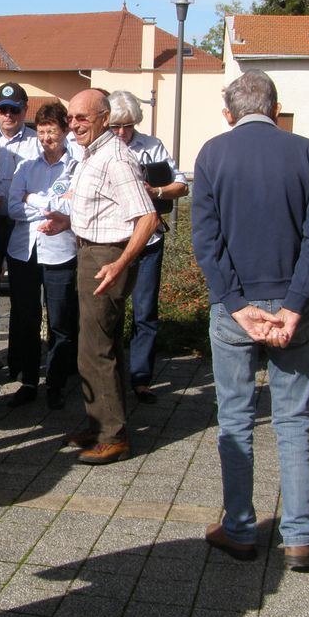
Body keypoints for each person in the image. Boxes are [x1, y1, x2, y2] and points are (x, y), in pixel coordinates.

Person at [192, 70, 309, 570]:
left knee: (235, 418)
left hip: (235, 310)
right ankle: (298, 537)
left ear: (230, 111)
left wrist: (234, 303)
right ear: (274, 107)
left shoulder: (211, 154)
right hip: (291, 306)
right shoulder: (306, 152)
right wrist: (293, 304)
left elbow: (206, 243)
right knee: (293, 421)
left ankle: (240, 530)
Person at [41, 89, 159, 464]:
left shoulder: (116, 158)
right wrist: (67, 222)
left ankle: (114, 436)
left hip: (106, 258)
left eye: (82, 118)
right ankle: (98, 424)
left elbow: (147, 218)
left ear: (105, 119)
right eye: (70, 118)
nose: (73, 125)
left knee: (97, 348)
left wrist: (120, 263)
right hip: (90, 250)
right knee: (94, 346)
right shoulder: (94, 153)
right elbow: (101, 209)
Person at [107, 90, 189, 404]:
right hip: (114, 241)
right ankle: (110, 373)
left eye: (128, 126)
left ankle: (140, 378)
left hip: (149, 242)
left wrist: (155, 190)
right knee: (110, 312)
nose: (123, 132)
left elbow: (180, 185)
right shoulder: (101, 150)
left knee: (144, 313)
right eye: (116, 126)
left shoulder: (152, 147)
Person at [4, 102, 77, 409]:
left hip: (60, 252)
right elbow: (12, 207)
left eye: (53, 132)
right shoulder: (26, 167)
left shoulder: (76, 168)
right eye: (42, 132)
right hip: (24, 252)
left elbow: (71, 208)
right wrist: (46, 204)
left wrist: (31, 198)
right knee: (26, 318)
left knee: (60, 321)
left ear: (65, 132)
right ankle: (29, 381)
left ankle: (57, 383)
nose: (47, 138)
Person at [0, 82, 41, 345]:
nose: (8, 115)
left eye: (14, 110)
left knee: (22, 293)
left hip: (23, 224)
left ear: (25, 110)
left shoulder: (36, 142)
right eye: (3, 109)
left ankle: (21, 355)